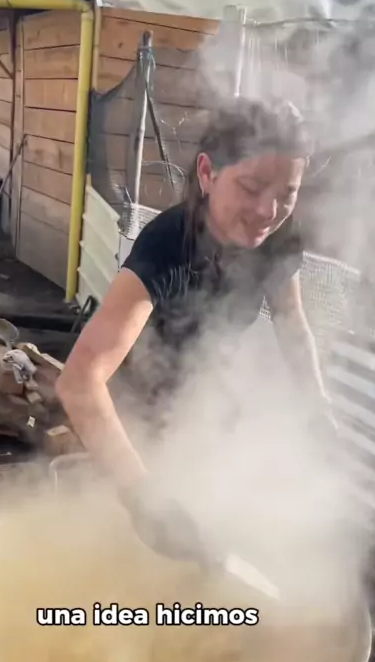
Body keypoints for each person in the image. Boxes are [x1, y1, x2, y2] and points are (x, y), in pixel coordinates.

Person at [56, 96, 335, 556]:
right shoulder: (167, 246)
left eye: (287, 193)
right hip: (131, 418)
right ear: (207, 173)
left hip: (203, 404)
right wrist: (140, 497)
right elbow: (80, 382)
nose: (268, 211)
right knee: (118, 548)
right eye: (251, 186)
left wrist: (317, 408)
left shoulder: (279, 238)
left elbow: (290, 319)